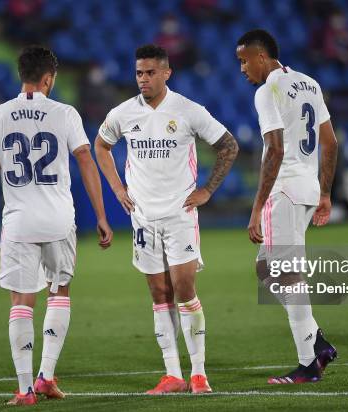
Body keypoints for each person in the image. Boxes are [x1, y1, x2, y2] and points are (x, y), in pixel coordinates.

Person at [0, 46, 113, 405]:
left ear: (22, 76)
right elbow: (85, 162)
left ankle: (26, 388)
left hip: (19, 223)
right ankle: (47, 376)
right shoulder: (64, 113)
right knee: (59, 293)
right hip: (59, 220)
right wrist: (102, 217)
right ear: (50, 78)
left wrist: (2, 161)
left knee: (22, 301)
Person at [95, 44, 238, 395]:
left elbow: (229, 145)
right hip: (142, 218)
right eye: (139, 73)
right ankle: (173, 374)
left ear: (166, 73)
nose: (143, 79)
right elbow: (100, 146)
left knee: (185, 290)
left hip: (180, 215)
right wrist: (117, 188)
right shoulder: (124, 113)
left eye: (150, 72)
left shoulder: (187, 110)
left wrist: (207, 190)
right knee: (159, 293)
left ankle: (199, 373)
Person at [236, 29, 338, 384]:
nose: (242, 68)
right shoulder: (309, 83)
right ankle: (317, 341)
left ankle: (308, 362)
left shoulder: (268, 92)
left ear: (261, 57)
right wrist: (324, 194)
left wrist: (256, 206)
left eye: (244, 60)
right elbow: (331, 143)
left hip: (284, 192)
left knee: (287, 275)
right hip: (307, 189)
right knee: (266, 269)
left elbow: (275, 149)